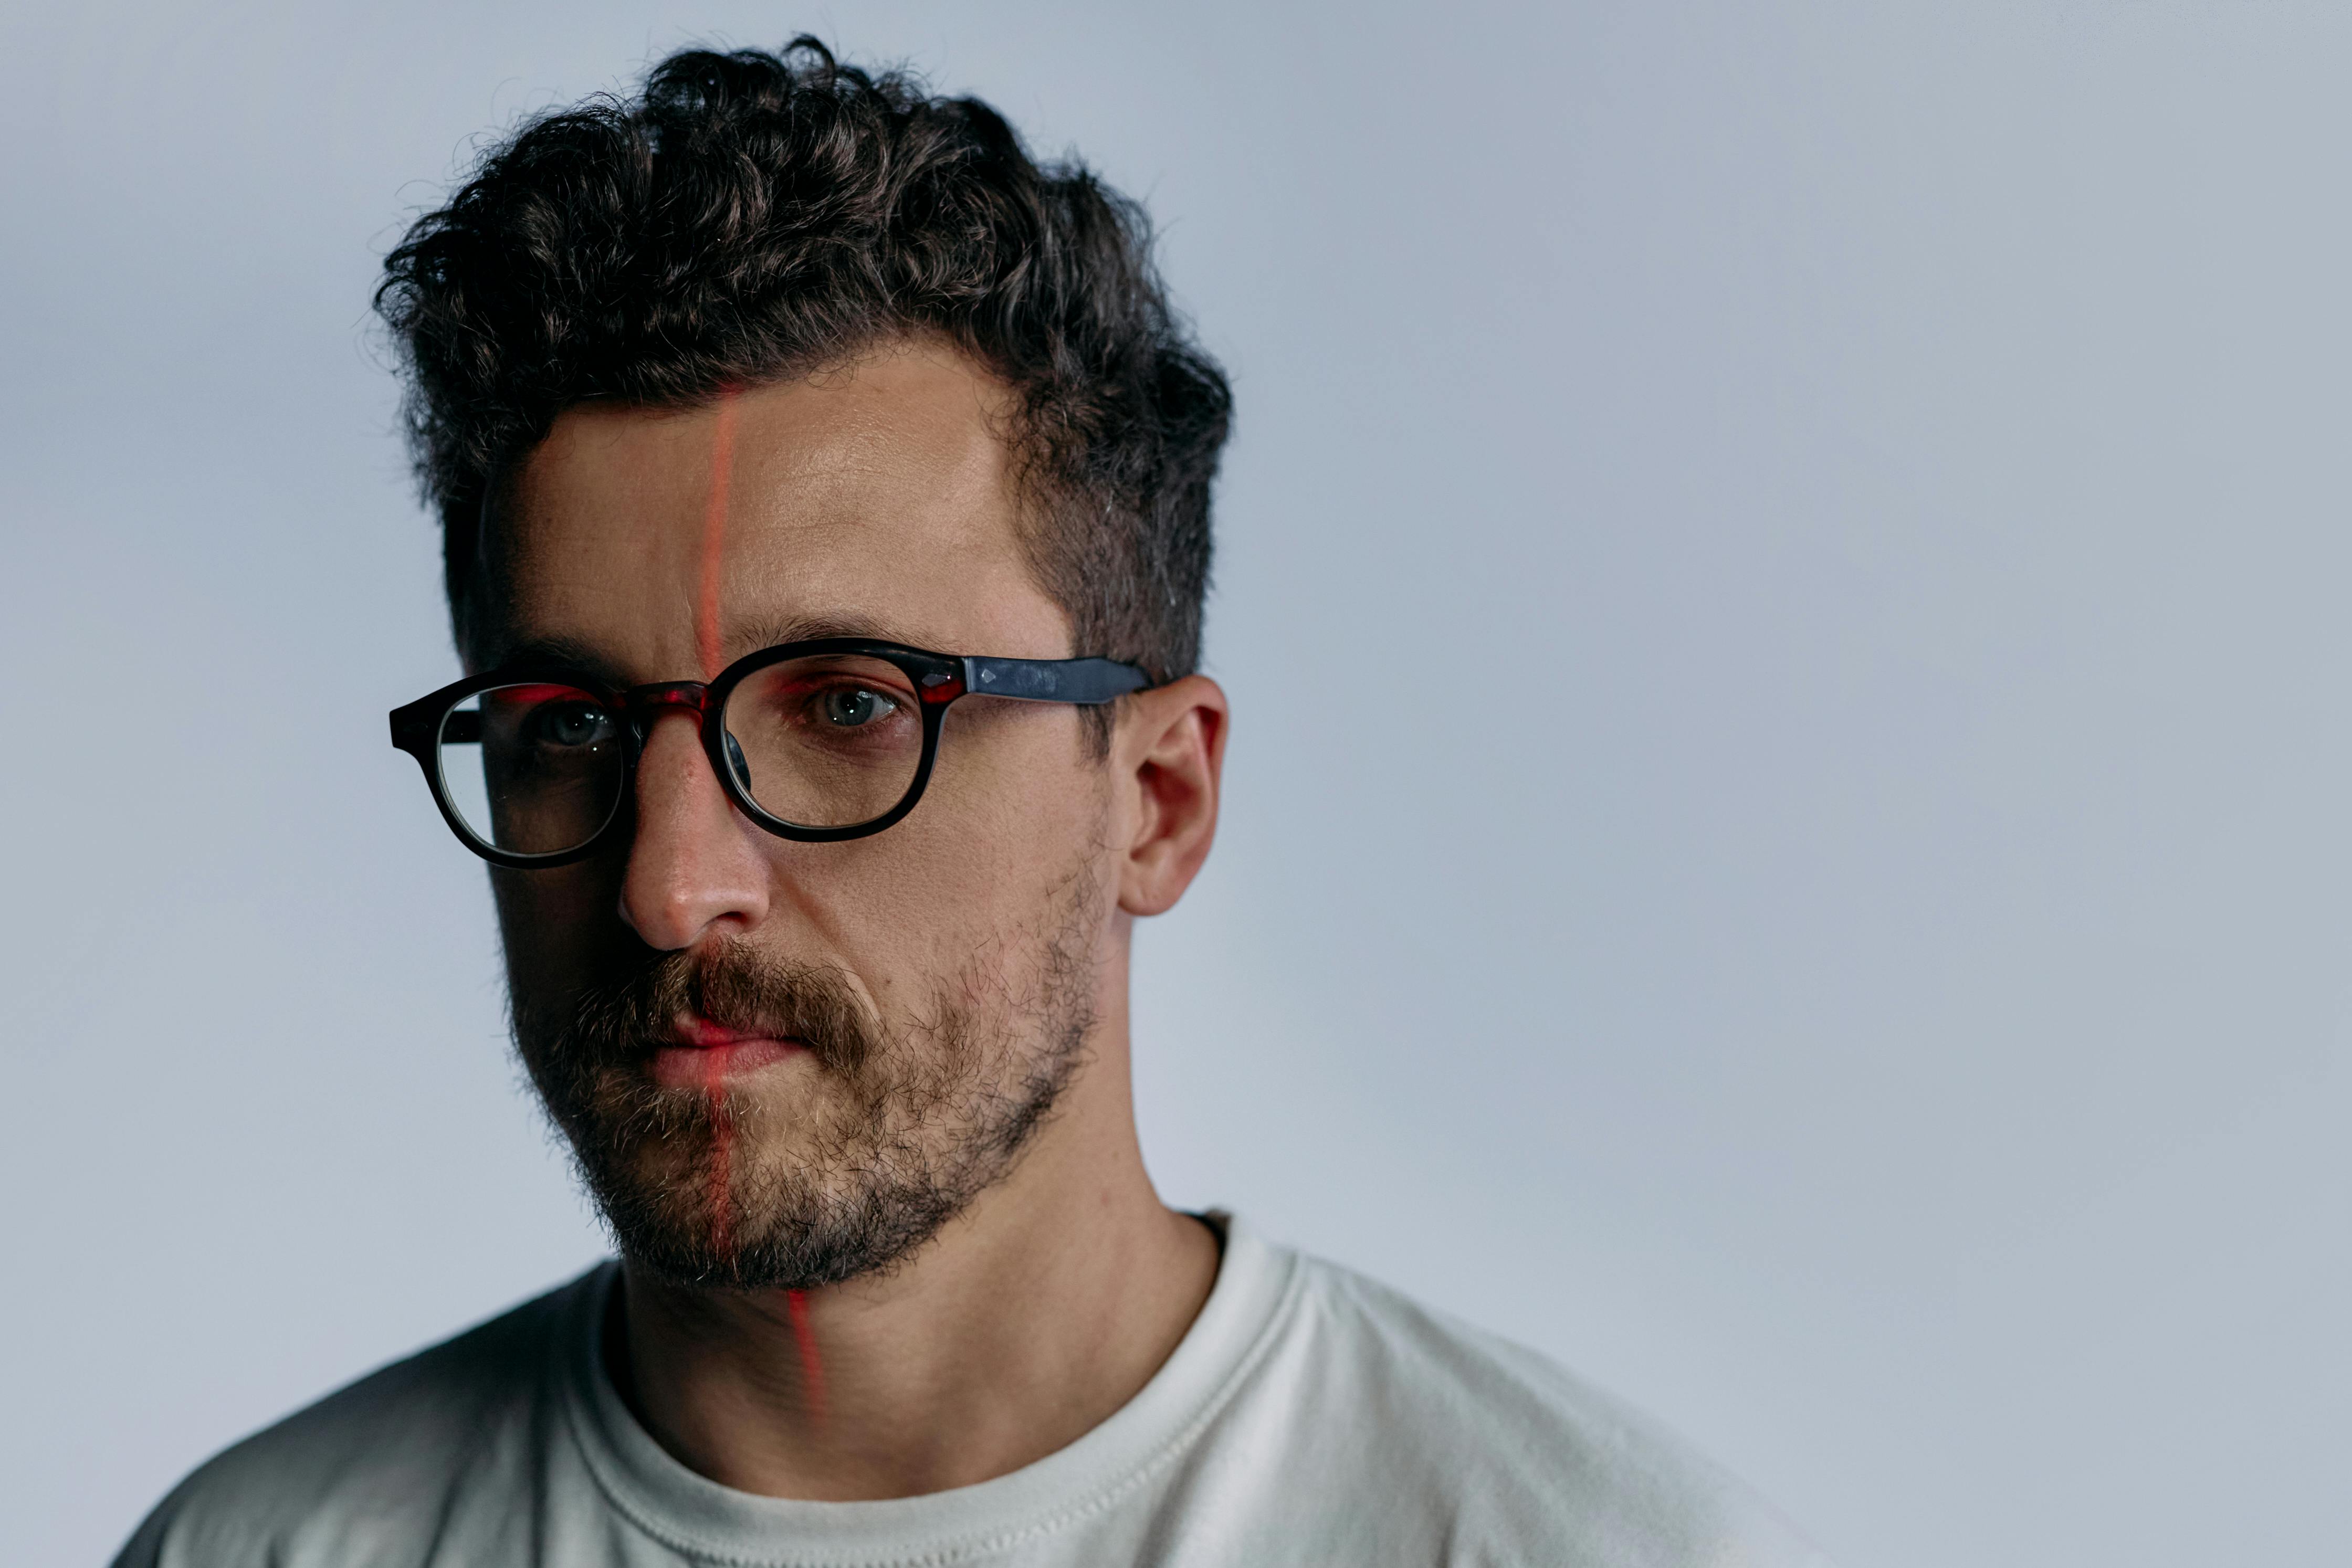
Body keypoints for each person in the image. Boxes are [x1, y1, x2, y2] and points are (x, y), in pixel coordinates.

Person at [115, 39, 1830, 1568]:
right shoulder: (263, 1544)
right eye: (565, 724)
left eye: (852, 705)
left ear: (1155, 798)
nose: (668, 882)